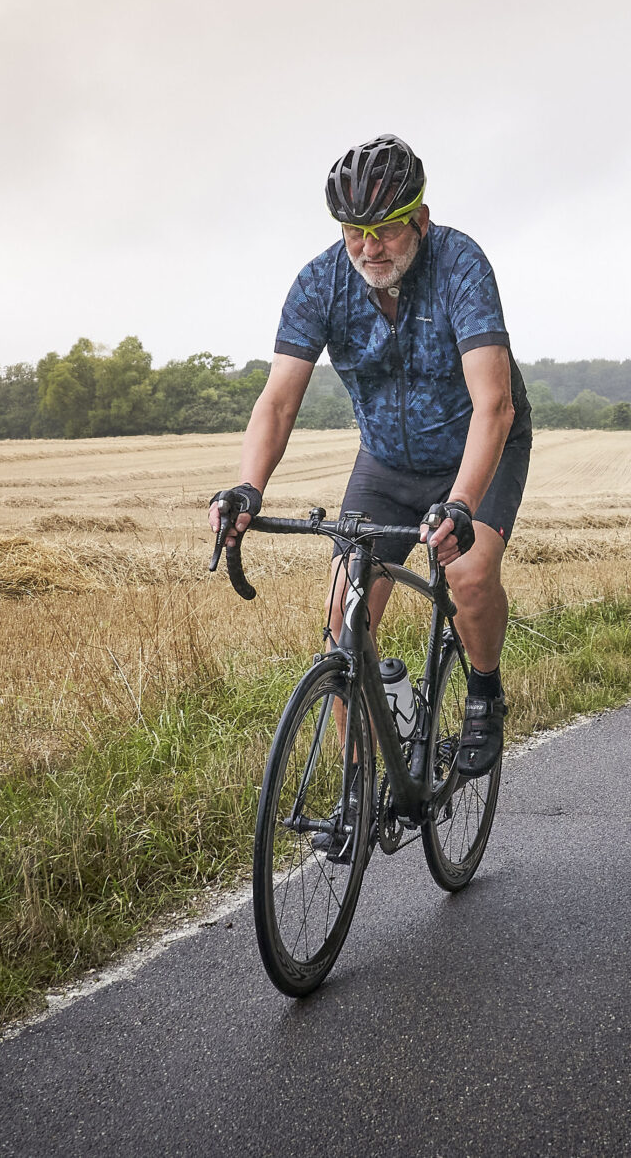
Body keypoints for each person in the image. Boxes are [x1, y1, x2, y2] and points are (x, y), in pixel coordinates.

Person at [208, 134, 532, 778]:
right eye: (355, 230)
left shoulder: (461, 265)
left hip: (477, 449)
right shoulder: (320, 282)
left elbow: (494, 405)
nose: (368, 247)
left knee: (467, 575)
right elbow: (277, 403)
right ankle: (361, 784)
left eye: (384, 229)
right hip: (385, 464)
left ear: (420, 217)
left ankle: (485, 691)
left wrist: (463, 504)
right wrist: (248, 487)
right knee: (342, 616)